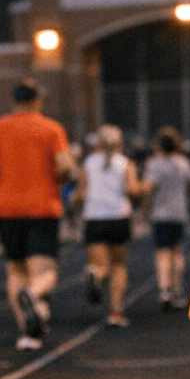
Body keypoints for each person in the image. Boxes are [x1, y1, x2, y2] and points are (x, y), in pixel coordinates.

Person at [0, 79, 73, 351]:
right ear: (37, 101)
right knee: (44, 270)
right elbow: (65, 167)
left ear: (14, 101)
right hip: (43, 206)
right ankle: (34, 294)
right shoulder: (52, 129)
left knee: (15, 269)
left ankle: (27, 334)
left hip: (8, 207)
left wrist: (2, 171)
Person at [72, 124, 144, 327]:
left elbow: (80, 193)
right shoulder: (125, 163)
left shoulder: (88, 163)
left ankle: (95, 274)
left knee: (100, 265)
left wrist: (75, 204)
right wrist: (141, 188)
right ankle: (116, 312)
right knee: (119, 266)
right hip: (119, 217)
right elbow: (133, 190)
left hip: (94, 218)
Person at [139, 126, 190, 311]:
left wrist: (144, 209)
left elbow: (148, 189)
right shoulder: (182, 163)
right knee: (177, 252)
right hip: (179, 214)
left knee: (162, 253)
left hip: (160, 215)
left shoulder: (154, 164)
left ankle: (164, 290)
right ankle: (177, 290)